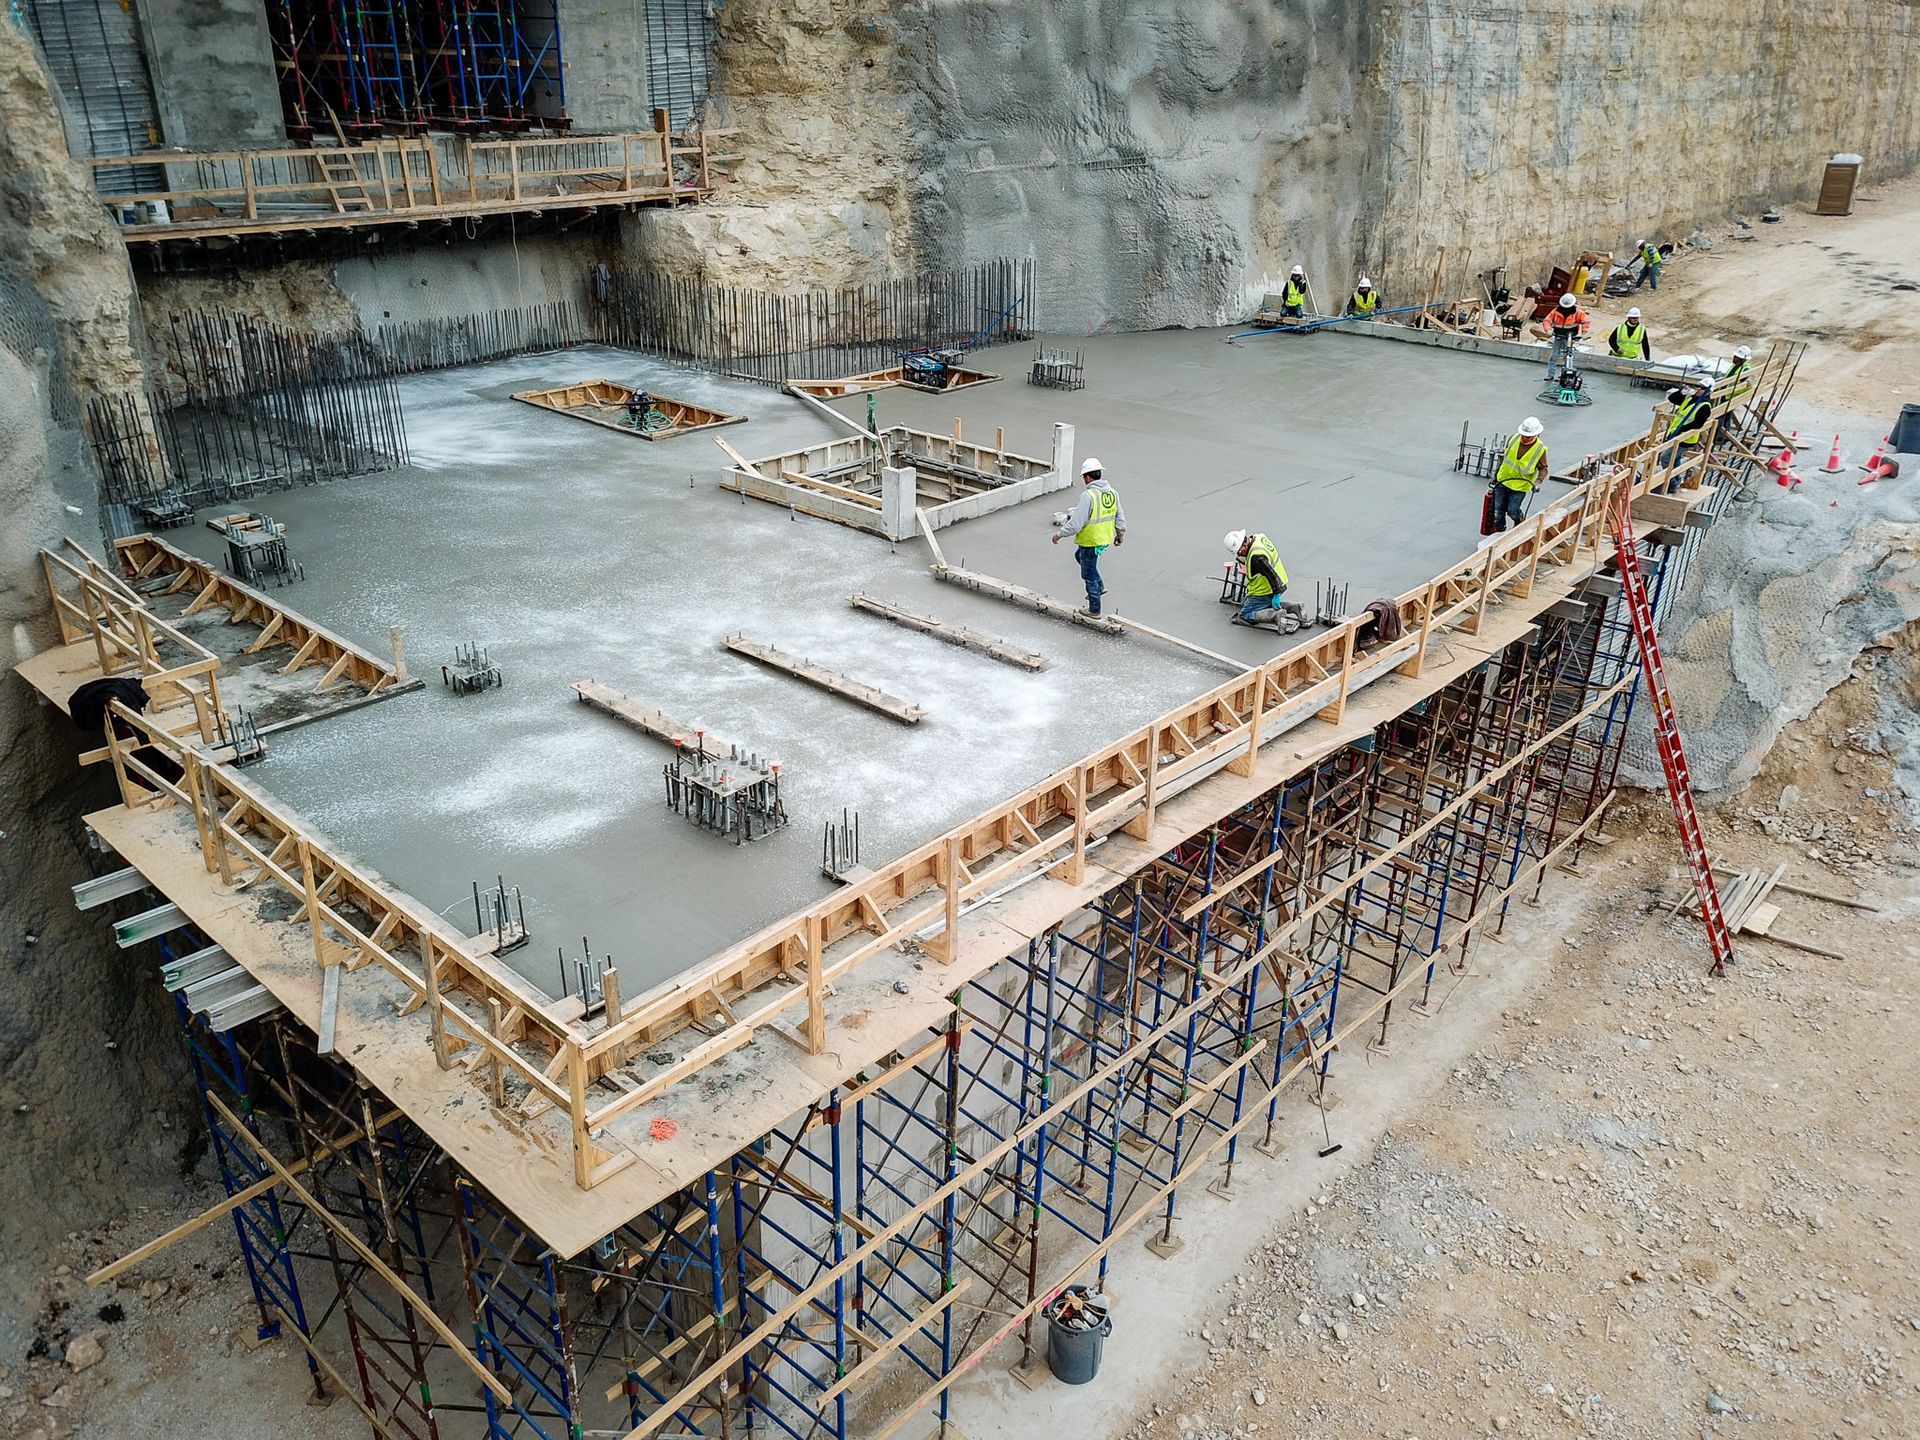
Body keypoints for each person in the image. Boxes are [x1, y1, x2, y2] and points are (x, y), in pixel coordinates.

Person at [1051, 457, 1125, 617]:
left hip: (1090, 540)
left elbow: (1076, 523)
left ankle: (1094, 609)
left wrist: (1059, 534)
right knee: (1080, 557)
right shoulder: (1112, 493)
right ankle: (1099, 586)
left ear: (1087, 477)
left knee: (1088, 573)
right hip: (1104, 538)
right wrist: (1120, 534)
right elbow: (1120, 516)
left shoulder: (1088, 496)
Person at [1489, 416, 1548, 533]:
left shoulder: (1540, 449)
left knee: (1512, 510)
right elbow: (1504, 459)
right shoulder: (1513, 438)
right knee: (1498, 511)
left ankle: (1519, 520)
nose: (1525, 438)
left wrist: (1538, 482)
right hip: (1503, 481)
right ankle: (1499, 534)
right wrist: (1495, 477)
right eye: (1524, 435)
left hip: (1520, 486)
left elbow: (1544, 468)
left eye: (1528, 436)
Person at [1223, 529, 1291, 627]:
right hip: (1282, 580)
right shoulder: (1259, 538)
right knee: (1264, 604)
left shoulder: (1256, 557)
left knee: (1245, 615)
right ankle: (1295, 607)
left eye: (1238, 552)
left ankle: (1275, 615)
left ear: (1244, 546)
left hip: (1267, 589)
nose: (1238, 554)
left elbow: (1271, 574)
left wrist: (1276, 594)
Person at [1658, 381, 1713, 480]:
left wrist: (1681, 429)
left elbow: (1698, 424)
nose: (1698, 389)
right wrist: (1681, 392)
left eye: (1702, 388)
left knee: (1665, 458)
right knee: (1675, 459)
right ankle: (1677, 479)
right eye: (1697, 386)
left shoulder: (1705, 406)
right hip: (1675, 434)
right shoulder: (1689, 399)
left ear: (1708, 391)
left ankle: (1671, 483)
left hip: (1686, 438)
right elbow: (1672, 399)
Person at [1542, 293, 1587, 380]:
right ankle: (1550, 374)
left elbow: (1586, 321)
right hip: (1558, 335)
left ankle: (1564, 375)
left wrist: (1584, 332)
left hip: (1570, 337)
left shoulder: (1577, 312)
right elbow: (1547, 320)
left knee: (1567, 355)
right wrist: (1548, 329)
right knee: (1554, 355)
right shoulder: (1556, 311)